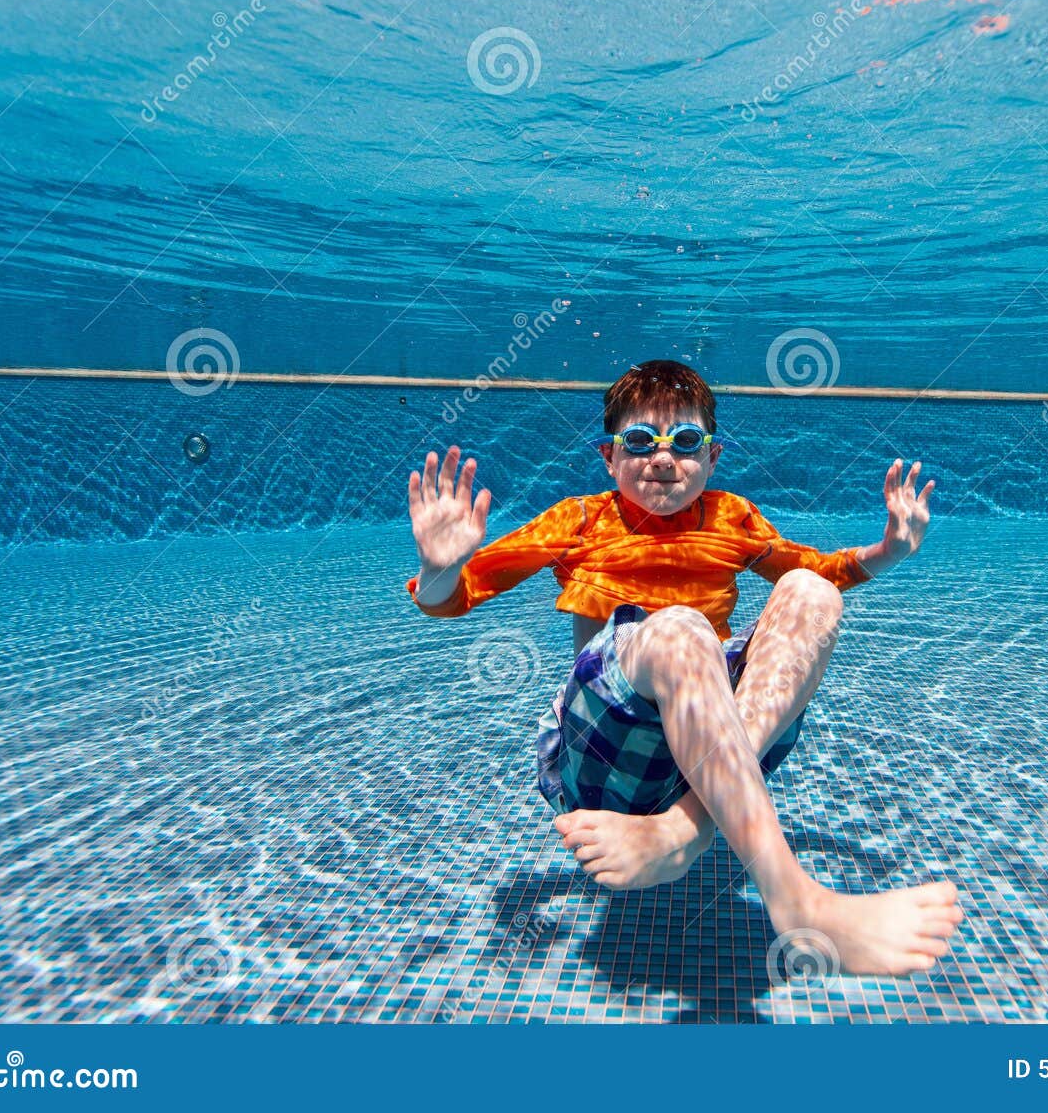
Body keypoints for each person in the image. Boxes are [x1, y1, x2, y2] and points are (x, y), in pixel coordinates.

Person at [406, 360, 961, 976]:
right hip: (609, 756)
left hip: (717, 736)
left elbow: (824, 570)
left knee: (811, 594)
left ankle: (684, 827)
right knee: (680, 627)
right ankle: (795, 898)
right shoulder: (580, 520)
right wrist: (439, 566)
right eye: (640, 442)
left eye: (686, 442)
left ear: (713, 458)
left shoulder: (733, 517)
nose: (663, 459)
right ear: (609, 459)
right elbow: (449, 600)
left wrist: (891, 550)